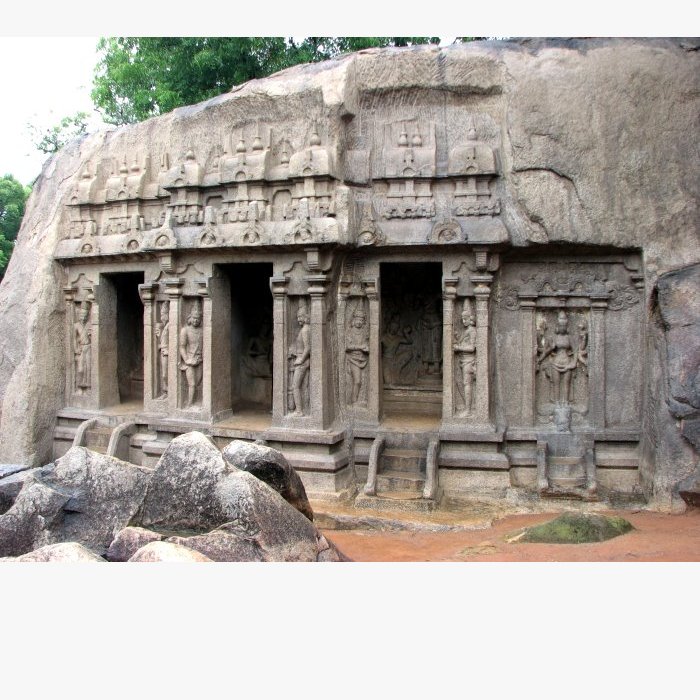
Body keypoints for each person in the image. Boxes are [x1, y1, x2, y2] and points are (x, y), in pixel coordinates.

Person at [179, 301, 203, 408]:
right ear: (190, 317)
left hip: (200, 360)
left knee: (198, 382)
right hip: (189, 360)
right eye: (194, 318)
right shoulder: (185, 330)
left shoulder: (203, 331)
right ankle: (189, 403)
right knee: (192, 384)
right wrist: (187, 359)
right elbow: (182, 347)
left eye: (198, 318)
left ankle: (197, 401)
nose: (196, 320)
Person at [288, 301, 310, 416]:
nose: (298, 319)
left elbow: (308, 348)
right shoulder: (304, 329)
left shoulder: (305, 330)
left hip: (302, 361)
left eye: (300, 316)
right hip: (301, 359)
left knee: (295, 386)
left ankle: (299, 411)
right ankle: (301, 409)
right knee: (300, 386)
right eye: (297, 317)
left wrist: (301, 360)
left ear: (306, 316)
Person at [454, 302, 476, 414]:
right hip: (463, 360)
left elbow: (472, 347)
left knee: (467, 384)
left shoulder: (472, 331)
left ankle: (468, 410)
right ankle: (466, 407)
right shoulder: (466, 331)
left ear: (470, 318)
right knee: (462, 383)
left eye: (465, 319)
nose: (463, 321)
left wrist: (459, 348)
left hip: (469, 361)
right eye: (462, 319)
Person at [346, 306, 369, 405]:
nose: (359, 322)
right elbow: (347, 346)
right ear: (354, 320)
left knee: (363, 381)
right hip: (353, 358)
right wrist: (360, 347)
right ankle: (354, 401)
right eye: (357, 320)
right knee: (358, 381)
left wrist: (367, 348)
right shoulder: (350, 331)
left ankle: (358, 399)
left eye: (361, 320)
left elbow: (366, 344)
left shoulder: (364, 332)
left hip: (363, 358)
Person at [74, 302, 92, 394]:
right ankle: (79, 387)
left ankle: (88, 387)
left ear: (87, 315)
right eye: (82, 314)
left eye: (85, 315)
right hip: (81, 348)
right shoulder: (76, 325)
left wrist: (90, 335)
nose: (83, 317)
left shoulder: (89, 325)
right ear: (79, 314)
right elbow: (74, 338)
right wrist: (76, 349)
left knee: (88, 368)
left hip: (88, 347)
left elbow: (92, 337)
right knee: (80, 369)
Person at [154, 301, 170, 397]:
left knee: (165, 374)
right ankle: (165, 391)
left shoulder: (170, 326)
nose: (162, 317)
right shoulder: (164, 327)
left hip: (167, 353)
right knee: (163, 373)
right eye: (161, 314)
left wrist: (167, 349)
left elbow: (174, 341)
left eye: (163, 314)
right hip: (163, 352)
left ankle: (167, 392)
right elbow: (163, 341)